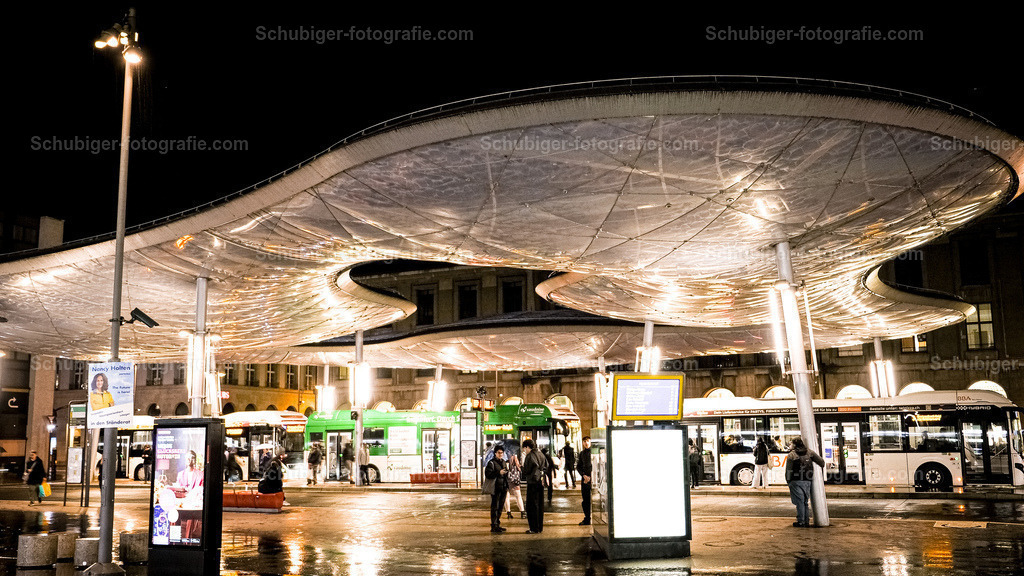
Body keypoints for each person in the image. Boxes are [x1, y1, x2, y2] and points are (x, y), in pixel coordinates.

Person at [785, 437, 825, 527]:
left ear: (795, 445)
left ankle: (801, 521)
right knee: (805, 502)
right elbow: (822, 462)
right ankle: (805, 521)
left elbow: (788, 470)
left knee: (799, 502)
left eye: (791, 444)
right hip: (807, 480)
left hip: (795, 481)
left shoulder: (792, 455)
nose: (790, 445)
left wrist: (788, 481)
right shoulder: (809, 452)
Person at [521, 439, 547, 534]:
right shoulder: (541, 454)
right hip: (540, 482)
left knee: (532, 505)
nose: (524, 451)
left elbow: (528, 469)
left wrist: (522, 467)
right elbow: (546, 466)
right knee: (540, 505)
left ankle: (533, 528)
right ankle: (539, 527)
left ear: (527, 447)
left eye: (525, 448)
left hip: (532, 482)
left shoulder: (530, 456)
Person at [484, 445, 510, 533]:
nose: (500, 454)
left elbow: (505, 472)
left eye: (502, 453)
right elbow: (488, 474)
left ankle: (497, 524)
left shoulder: (503, 462)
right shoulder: (491, 462)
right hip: (496, 487)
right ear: (495, 453)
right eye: (499, 453)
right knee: (495, 506)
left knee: (501, 506)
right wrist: (499, 472)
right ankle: (494, 525)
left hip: (503, 486)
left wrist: (506, 472)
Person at [505, 450, 525, 519]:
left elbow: (506, 469)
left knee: (507, 496)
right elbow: (519, 467)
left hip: (507, 479)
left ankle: (508, 513)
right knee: (518, 496)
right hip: (515, 479)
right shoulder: (514, 457)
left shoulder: (505, 457)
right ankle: (522, 512)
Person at [577, 436, 592, 525]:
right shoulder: (582, 453)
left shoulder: (594, 452)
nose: (586, 443)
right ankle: (587, 518)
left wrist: (591, 476)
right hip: (585, 480)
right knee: (585, 500)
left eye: (588, 441)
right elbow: (578, 466)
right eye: (584, 441)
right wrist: (583, 475)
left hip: (594, 480)